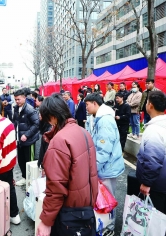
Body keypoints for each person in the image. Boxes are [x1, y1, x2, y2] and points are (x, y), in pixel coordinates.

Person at [36, 94, 98, 236]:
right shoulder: (83, 132)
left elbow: (56, 188)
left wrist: (46, 221)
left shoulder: (59, 140)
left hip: (69, 213)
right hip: (86, 208)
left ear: (52, 116)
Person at [136, 91, 166, 231]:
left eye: (147, 102)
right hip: (165, 179)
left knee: (154, 217)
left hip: (155, 182)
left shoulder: (154, 130)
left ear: (150, 105)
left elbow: (153, 160)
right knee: (162, 213)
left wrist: (146, 183)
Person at [84, 93, 124, 236]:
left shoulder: (105, 120)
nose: (86, 108)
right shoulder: (100, 118)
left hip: (107, 167)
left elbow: (103, 149)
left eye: (87, 104)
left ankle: (109, 227)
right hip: (106, 166)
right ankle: (105, 223)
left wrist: (94, 168)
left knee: (108, 199)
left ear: (95, 103)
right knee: (104, 197)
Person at [13, 89, 40, 186]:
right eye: (15, 99)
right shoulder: (16, 108)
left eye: (18, 99)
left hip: (29, 141)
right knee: (21, 160)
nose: (17, 101)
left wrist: (27, 135)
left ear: (24, 98)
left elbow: (37, 124)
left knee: (30, 162)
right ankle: (25, 178)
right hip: (19, 140)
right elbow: (15, 122)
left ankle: (32, 181)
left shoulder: (30, 109)